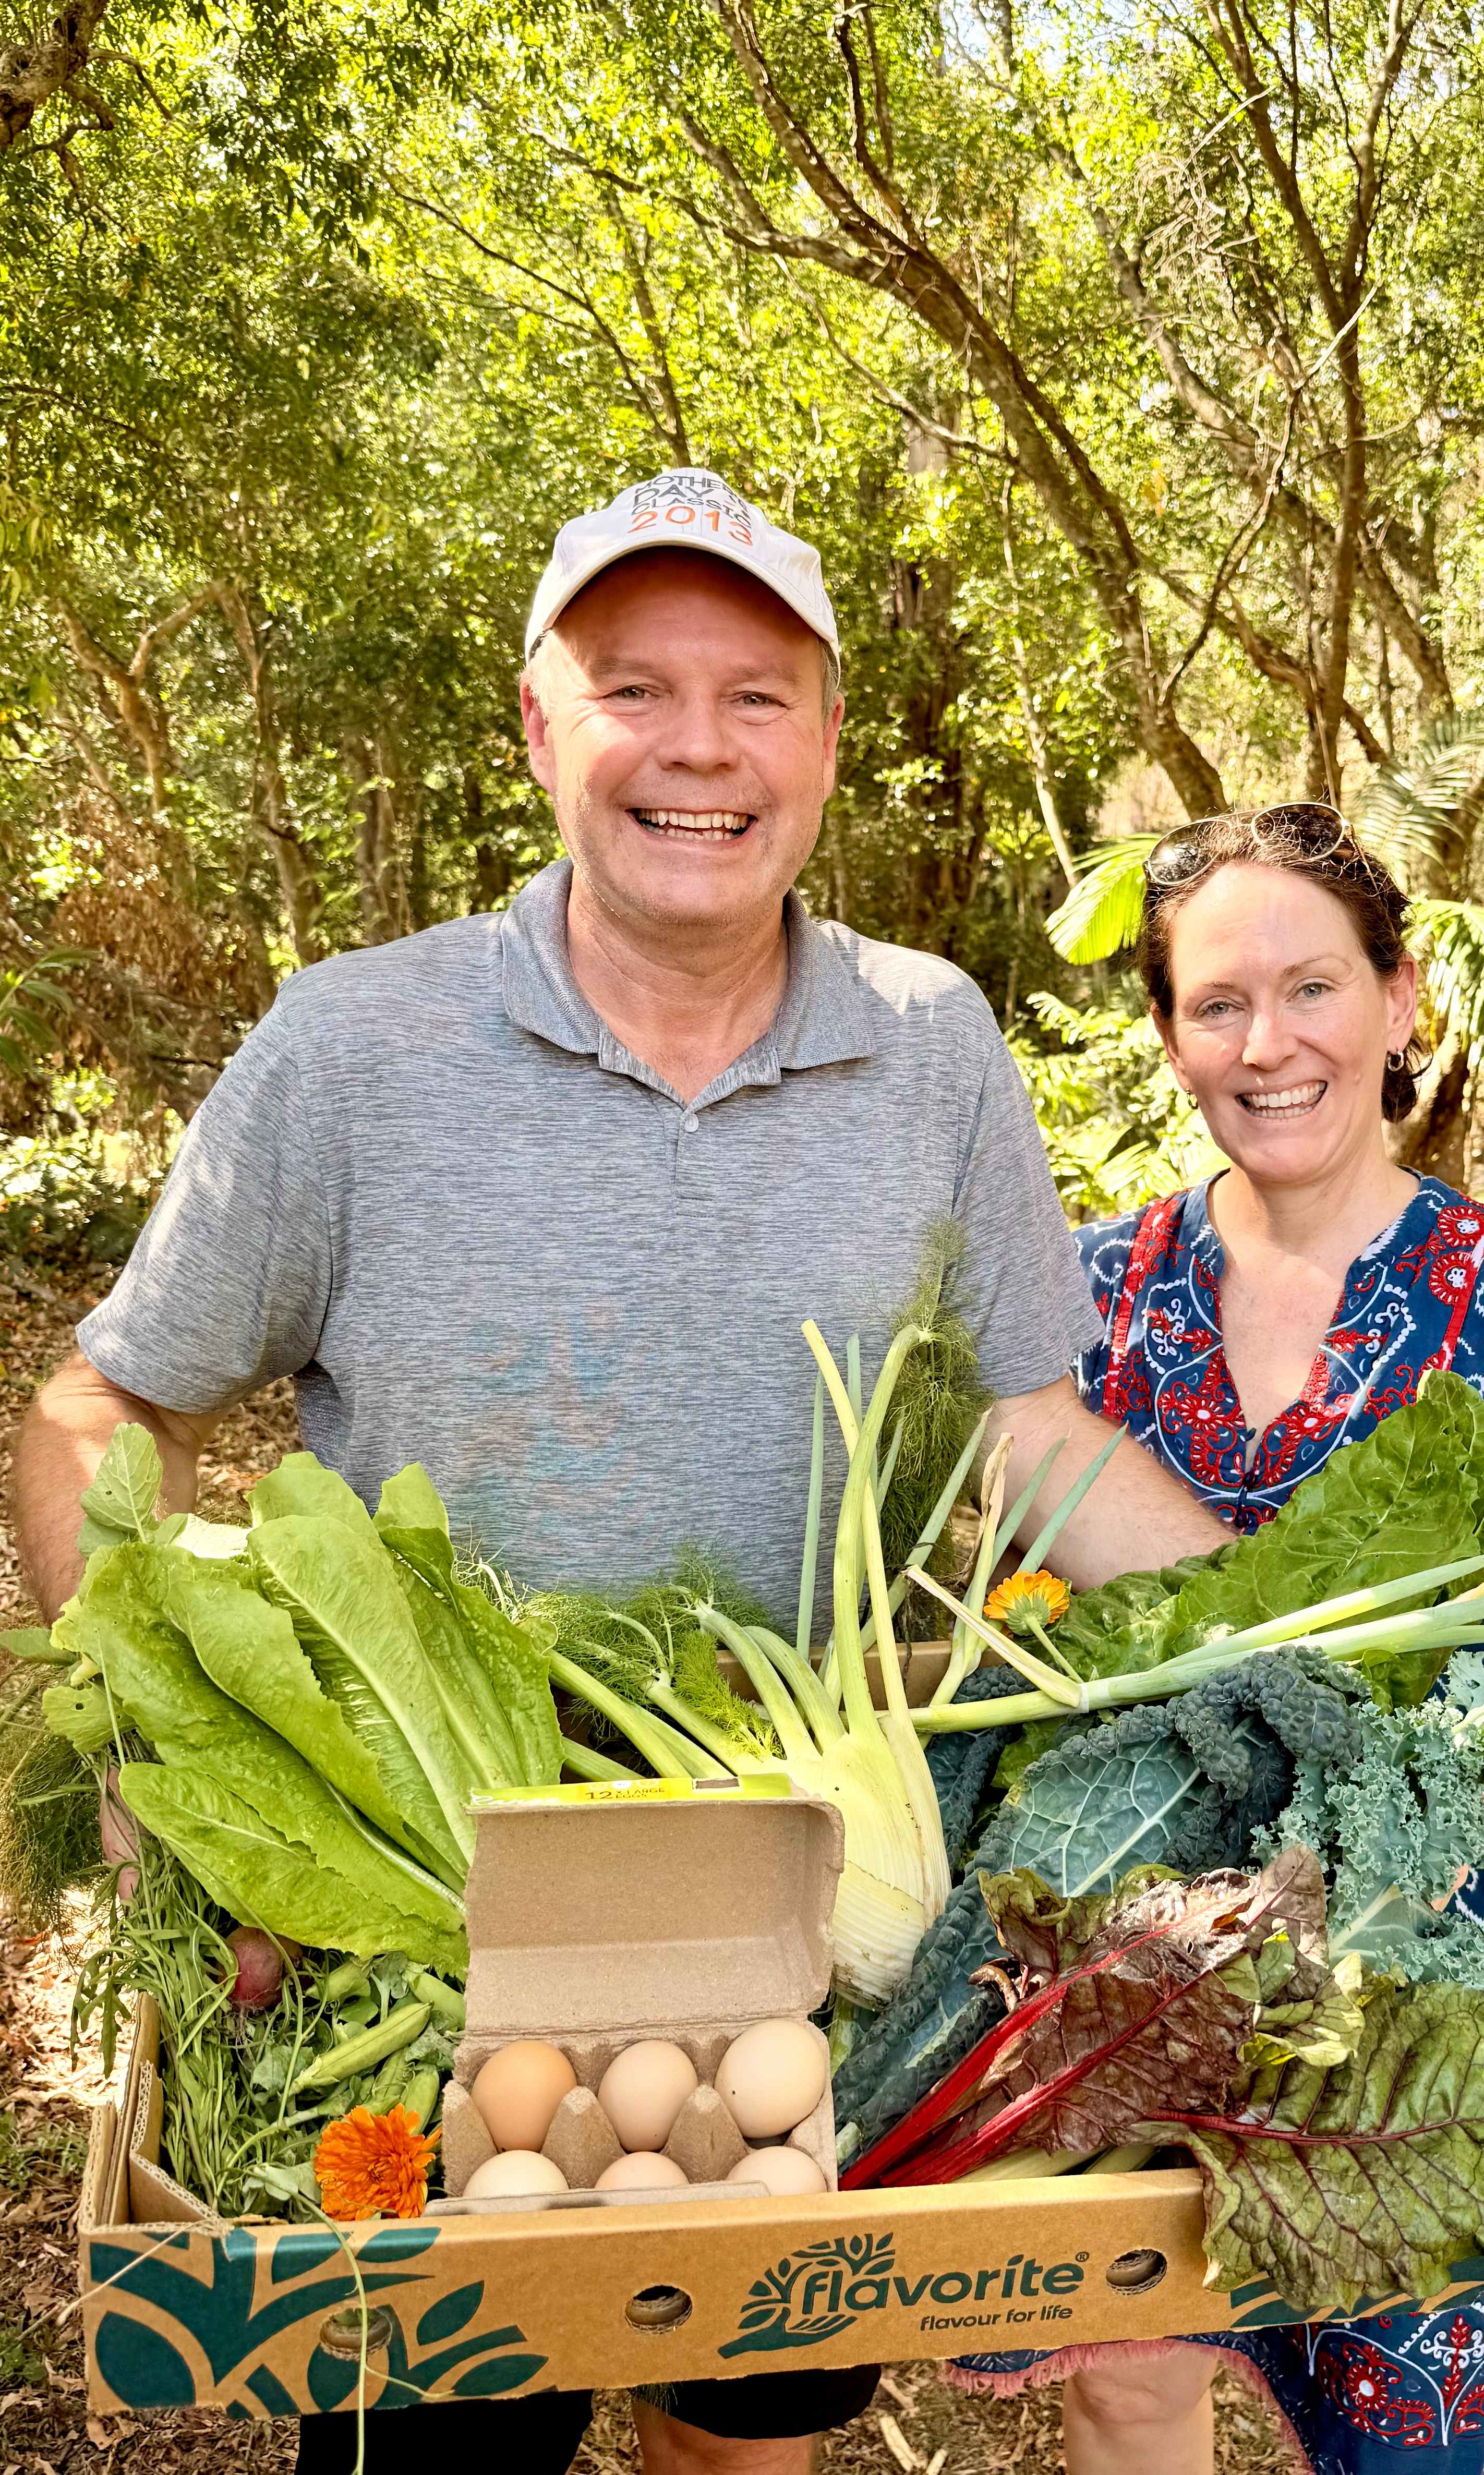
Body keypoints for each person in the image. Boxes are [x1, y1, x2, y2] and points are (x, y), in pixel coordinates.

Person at [9, 468, 1235, 2475]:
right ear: (538, 725)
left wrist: (1273, 1624)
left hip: (802, 1934)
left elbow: (1031, 1432)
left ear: (829, 740)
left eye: (758, 694)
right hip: (425, 1935)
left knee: (743, 2442)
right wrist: (151, 1763)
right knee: (444, 2448)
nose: (697, 747)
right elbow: (95, 1411)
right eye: (634, 685)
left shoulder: (935, 1047)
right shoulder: (356, 1049)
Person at [946, 803, 1484, 2475]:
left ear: (1403, 1000)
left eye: (1315, 986)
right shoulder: (1088, 1297)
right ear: (1168, 1033)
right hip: (1141, 1969)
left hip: (1422, 1969)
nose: (1269, 1044)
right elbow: (1027, 1638)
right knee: (1131, 2371)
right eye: (1216, 1003)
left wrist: (1366, 1836)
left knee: (1431, 2426)